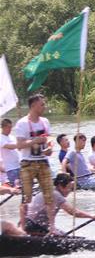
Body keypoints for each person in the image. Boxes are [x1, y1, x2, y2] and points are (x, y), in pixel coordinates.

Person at [14, 94, 56, 231]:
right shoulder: (22, 123)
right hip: (27, 163)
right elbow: (19, 145)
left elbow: (49, 140)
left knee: (49, 196)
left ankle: (52, 227)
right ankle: (23, 228)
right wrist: (34, 141)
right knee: (26, 197)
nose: (44, 107)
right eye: (41, 105)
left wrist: (50, 148)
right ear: (33, 106)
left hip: (43, 162)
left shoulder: (45, 121)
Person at [23, 173, 95, 236]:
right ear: (60, 186)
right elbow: (73, 212)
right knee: (63, 238)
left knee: (63, 234)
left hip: (28, 223)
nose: (70, 191)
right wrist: (91, 216)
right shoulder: (56, 194)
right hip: (34, 226)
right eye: (69, 188)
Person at [0, 118, 21, 186]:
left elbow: (18, 149)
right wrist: (23, 144)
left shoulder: (12, 137)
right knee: (16, 188)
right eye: (8, 127)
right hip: (10, 168)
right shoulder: (1, 138)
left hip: (19, 165)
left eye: (11, 127)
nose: (10, 129)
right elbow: (9, 146)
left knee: (25, 187)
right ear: (3, 127)